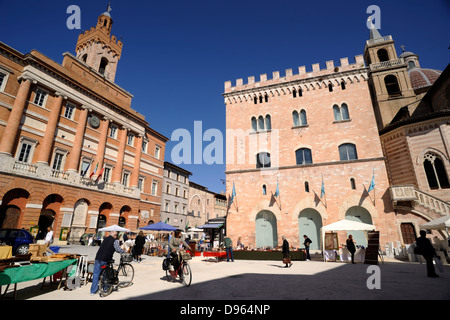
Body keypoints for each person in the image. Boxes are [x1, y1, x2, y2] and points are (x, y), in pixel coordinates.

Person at [90, 231, 126, 296]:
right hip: (105, 259)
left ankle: (93, 291)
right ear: (115, 235)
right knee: (105, 275)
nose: (116, 237)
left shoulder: (105, 238)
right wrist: (123, 252)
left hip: (98, 258)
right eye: (116, 236)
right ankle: (105, 288)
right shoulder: (114, 241)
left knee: (96, 275)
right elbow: (117, 249)